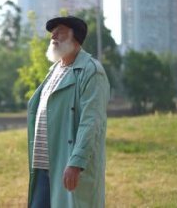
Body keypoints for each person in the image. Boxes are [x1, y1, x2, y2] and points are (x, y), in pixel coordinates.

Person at [27, 16, 110, 208]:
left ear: (76, 37)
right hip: (43, 165)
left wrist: (76, 162)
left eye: (60, 31)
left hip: (68, 165)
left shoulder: (91, 71)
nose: (53, 35)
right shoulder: (55, 70)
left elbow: (91, 121)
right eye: (52, 31)